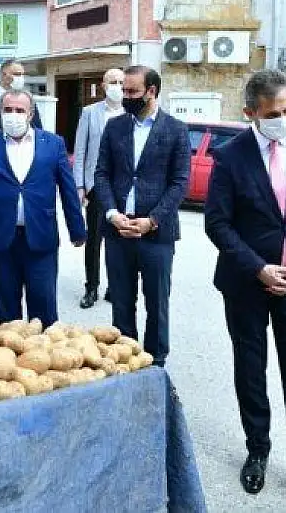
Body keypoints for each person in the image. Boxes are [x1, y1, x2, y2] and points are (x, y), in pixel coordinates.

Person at [204, 70, 286, 513]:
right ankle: (257, 448)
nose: (282, 119)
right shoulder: (230, 156)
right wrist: (259, 268)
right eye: (272, 114)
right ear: (251, 114)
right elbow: (217, 224)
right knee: (251, 368)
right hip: (246, 283)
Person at [93, 65, 190, 368]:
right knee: (121, 304)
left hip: (156, 235)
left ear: (152, 91)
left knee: (157, 304)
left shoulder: (176, 130)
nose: (125, 96)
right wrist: (111, 213)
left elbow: (179, 183)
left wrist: (153, 220)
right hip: (119, 232)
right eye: (123, 90)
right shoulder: (115, 127)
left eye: (132, 91)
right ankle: (126, 363)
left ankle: (156, 366)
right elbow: (102, 174)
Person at [0, 90, 86, 324]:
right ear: (0, 112)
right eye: (8, 110)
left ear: (30, 114)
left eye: (19, 110)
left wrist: (77, 229)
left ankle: (47, 356)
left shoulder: (53, 144)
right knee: (6, 311)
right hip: (0, 240)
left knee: (44, 308)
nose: (13, 115)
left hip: (41, 239)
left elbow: (68, 189)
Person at [73, 67, 125, 309]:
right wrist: (80, 185)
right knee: (94, 240)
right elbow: (81, 149)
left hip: (122, 188)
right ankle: (91, 287)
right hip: (95, 186)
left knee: (118, 240)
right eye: (112, 81)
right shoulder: (90, 113)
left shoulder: (130, 113)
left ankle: (115, 287)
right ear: (103, 85)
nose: (117, 86)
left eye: (121, 82)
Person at [0, 59, 42, 129]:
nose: (21, 78)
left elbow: (37, 127)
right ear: (3, 74)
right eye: (17, 74)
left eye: (22, 75)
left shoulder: (27, 98)